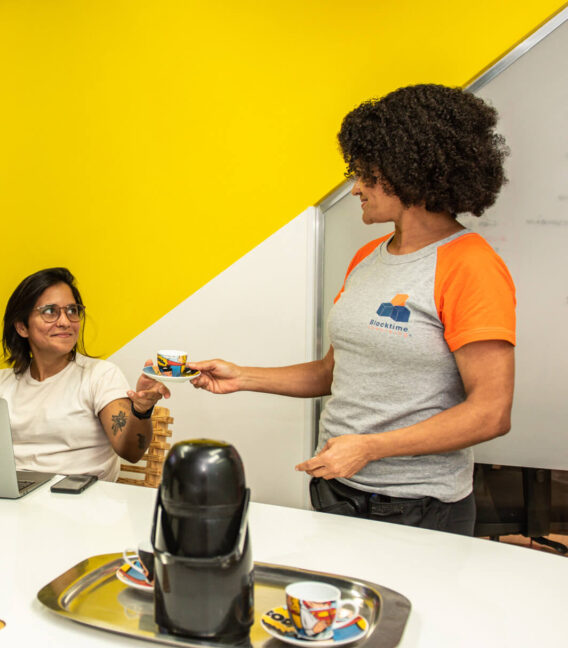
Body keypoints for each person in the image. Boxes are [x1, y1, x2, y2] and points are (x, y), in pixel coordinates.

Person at [190, 84, 515, 535]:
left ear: (409, 173)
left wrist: (371, 448)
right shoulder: (368, 258)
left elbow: (490, 412)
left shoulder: (470, 265)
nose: (356, 187)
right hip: (337, 488)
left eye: (367, 174)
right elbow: (333, 373)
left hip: (418, 507)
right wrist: (242, 376)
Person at [0, 267, 170, 481]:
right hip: (14, 500)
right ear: (22, 327)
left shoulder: (100, 375)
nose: (65, 321)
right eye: (50, 311)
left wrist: (141, 412)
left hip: (82, 503)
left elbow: (131, 452)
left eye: (72, 310)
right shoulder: (0, 383)